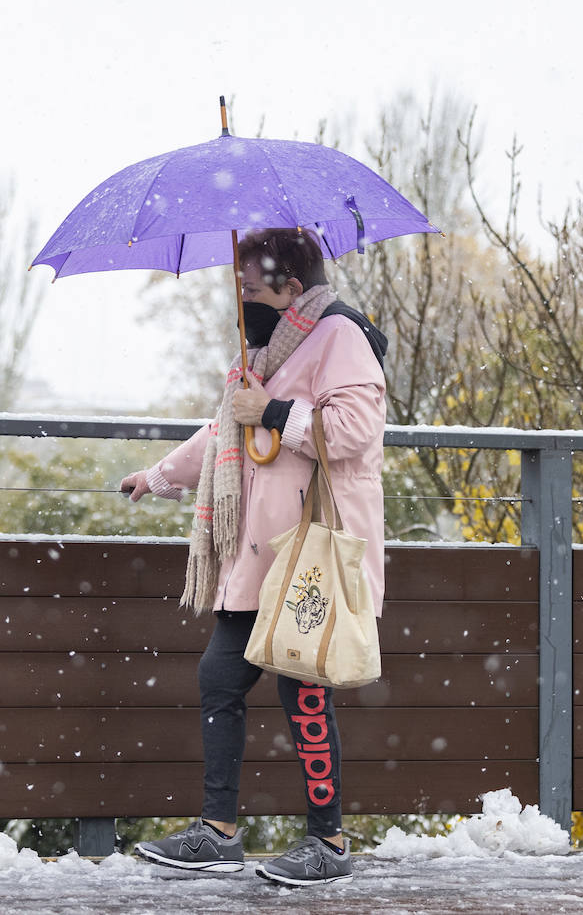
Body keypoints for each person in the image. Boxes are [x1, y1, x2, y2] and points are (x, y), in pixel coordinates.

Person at [118, 227, 387, 887]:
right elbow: (224, 434)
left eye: (251, 286)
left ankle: (328, 841)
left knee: (303, 689)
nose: (242, 298)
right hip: (262, 552)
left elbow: (354, 430)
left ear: (292, 287)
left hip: (311, 550)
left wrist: (269, 409)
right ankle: (218, 832)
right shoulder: (264, 349)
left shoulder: (340, 335)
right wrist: (157, 477)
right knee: (220, 678)